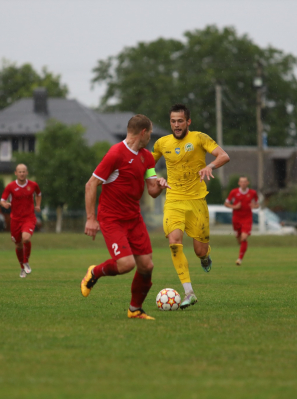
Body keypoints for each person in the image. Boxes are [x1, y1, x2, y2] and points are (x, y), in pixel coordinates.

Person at [81, 114, 170, 320]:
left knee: (147, 265)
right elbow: (91, 184)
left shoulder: (147, 157)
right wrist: (90, 218)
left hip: (134, 218)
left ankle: (135, 309)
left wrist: (161, 186)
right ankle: (95, 272)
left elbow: (152, 190)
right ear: (143, 132)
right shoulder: (115, 154)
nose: (151, 138)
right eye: (150, 133)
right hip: (112, 218)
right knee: (126, 264)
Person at [152, 103, 230, 309]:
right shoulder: (161, 143)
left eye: (180, 121)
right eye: (173, 121)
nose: (176, 125)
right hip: (174, 199)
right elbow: (146, 165)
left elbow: (224, 155)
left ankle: (205, 257)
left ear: (188, 122)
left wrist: (210, 166)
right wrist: (156, 178)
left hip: (196, 201)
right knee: (174, 241)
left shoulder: (199, 138)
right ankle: (189, 292)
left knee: (199, 250)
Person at [1, 164, 41, 278]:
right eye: (20, 172)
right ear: (16, 173)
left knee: (26, 238)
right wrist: (5, 204)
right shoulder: (10, 186)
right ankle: (22, 268)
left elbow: (39, 194)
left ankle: (26, 261)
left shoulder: (33, 185)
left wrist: (37, 205)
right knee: (18, 245)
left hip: (29, 218)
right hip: (15, 220)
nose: (22, 173)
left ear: (27, 173)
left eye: (24, 171)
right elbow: (2, 199)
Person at [224, 176, 259, 266]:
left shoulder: (253, 193)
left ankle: (239, 259)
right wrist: (234, 207)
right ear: (239, 183)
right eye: (241, 182)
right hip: (236, 219)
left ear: (248, 183)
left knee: (244, 238)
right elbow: (226, 203)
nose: (243, 183)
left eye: (245, 182)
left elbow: (257, 204)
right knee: (239, 239)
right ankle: (241, 246)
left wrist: (254, 206)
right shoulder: (234, 192)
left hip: (247, 218)